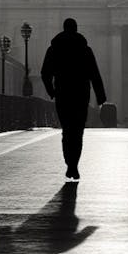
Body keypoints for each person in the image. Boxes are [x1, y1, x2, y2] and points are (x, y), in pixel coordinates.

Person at [40, 18, 106, 183]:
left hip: (63, 93)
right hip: (81, 94)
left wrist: (51, 91)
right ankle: (74, 165)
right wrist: (100, 96)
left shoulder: (53, 49)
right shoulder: (85, 50)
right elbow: (95, 74)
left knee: (67, 131)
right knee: (78, 132)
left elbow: (44, 73)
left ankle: (69, 163)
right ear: (76, 29)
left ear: (63, 29)